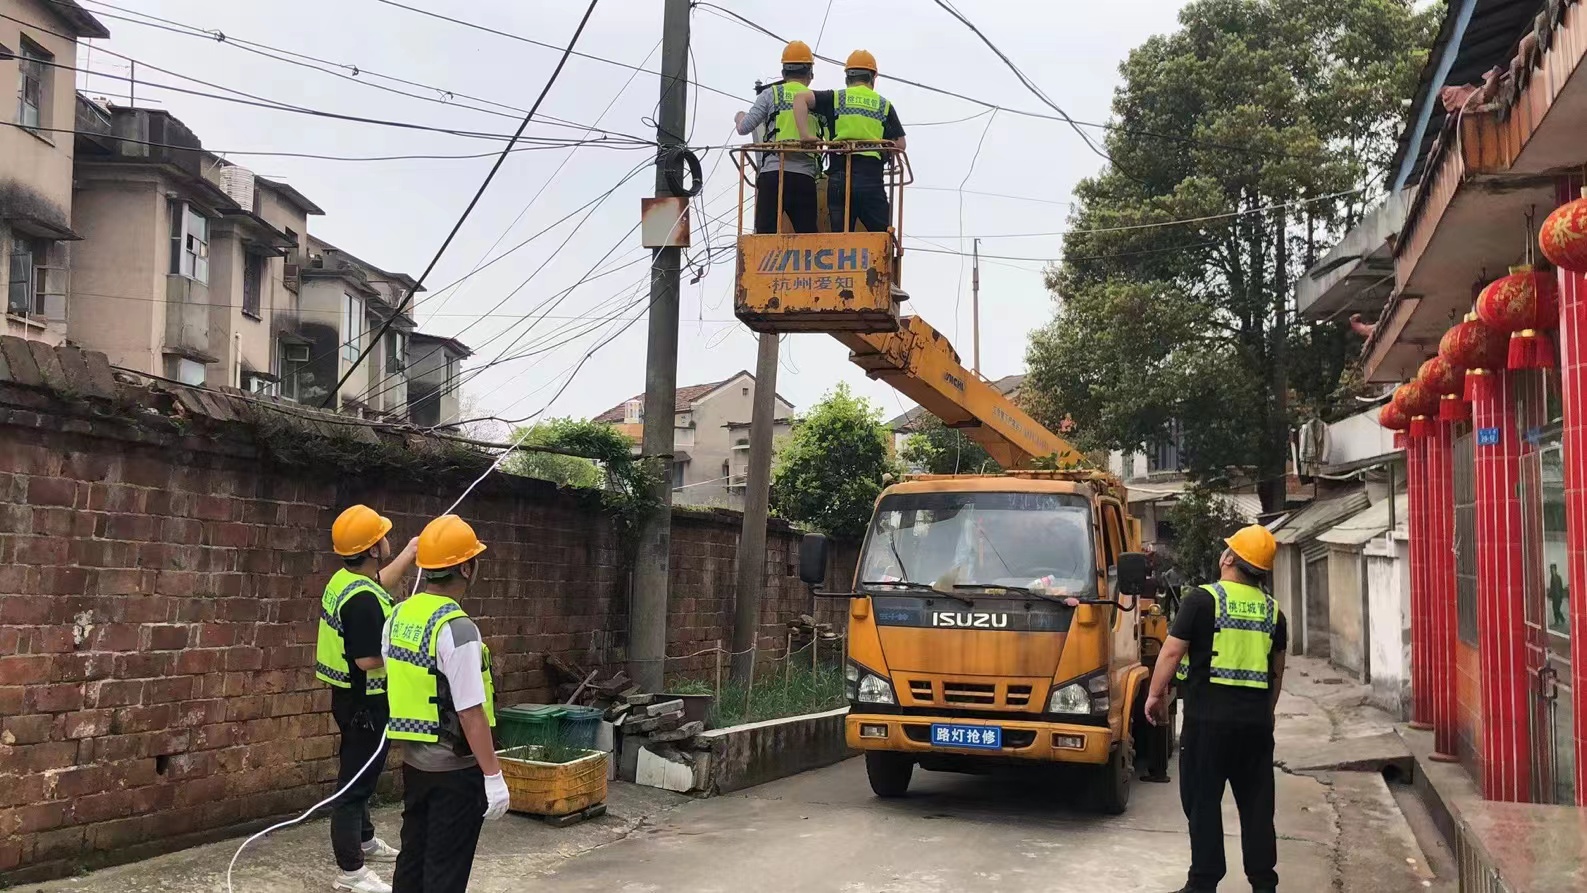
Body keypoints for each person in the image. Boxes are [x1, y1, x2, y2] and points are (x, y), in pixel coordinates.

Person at [1144, 525, 1287, 893]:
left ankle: (1203, 882)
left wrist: (1155, 695)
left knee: (1202, 802)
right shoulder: (1273, 612)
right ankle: (1264, 884)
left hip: (1207, 724)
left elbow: (1172, 652)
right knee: (1257, 807)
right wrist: (1267, 713)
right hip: (1255, 727)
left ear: (1228, 559)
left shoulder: (1201, 600)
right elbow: (1276, 670)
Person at [384, 515, 508, 893]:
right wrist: (493, 776)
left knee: (412, 860)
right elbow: (470, 712)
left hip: (414, 762)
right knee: (445, 872)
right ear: (466, 568)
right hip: (456, 770)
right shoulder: (458, 628)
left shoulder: (399, 614)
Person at [317, 505, 418, 893]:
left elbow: (378, 584)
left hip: (349, 698)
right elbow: (367, 659)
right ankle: (351, 871)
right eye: (384, 536)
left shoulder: (348, 580)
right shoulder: (360, 602)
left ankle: (364, 838)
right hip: (365, 706)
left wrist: (409, 552)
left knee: (363, 773)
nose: (388, 538)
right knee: (355, 784)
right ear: (374, 549)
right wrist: (408, 648)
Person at [793, 49, 907, 235]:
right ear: (873, 77)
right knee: (881, 237)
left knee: (840, 238)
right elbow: (900, 144)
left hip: (839, 174)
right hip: (871, 178)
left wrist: (805, 135)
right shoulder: (883, 105)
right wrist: (882, 148)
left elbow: (800, 98)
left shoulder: (836, 98)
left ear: (847, 77)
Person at [734, 40, 821, 235]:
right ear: (810, 73)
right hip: (804, 177)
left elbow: (744, 127)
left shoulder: (770, 95)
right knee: (808, 238)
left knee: (765, 237)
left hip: (773, 176)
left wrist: (739, 117)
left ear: (783, 73)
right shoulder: (816, 98)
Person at [1548, 562, 1567, 628]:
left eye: (1552, 569)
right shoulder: (1552, 578)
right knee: (1555, 609)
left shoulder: (1558, 577)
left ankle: (1557, 622)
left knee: (1556, 609)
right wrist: (1550, 595)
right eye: (1551, 569)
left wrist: (1561, 597)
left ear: (1555, 569)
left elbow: (1561, 588)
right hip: (1554, 597)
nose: (1551, 571)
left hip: (1558, 597)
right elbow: (1552, 588)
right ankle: (1561, 620)